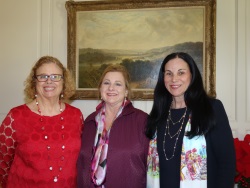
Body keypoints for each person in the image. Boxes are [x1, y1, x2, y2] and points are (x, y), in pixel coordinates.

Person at [146, 52, 236, 188]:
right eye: (169, 73)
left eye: (181, 73)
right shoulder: (159, 113)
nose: (174, 79)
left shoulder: (211, 108)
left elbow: (226, 164)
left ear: (192, 75)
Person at [0, 56, 84, 188]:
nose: (49, 81)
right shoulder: (16, 116)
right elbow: (3, 162)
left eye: (56, 76)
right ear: (34, 82)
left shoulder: (76, 115)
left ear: (64, 82)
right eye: (43, 76)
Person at [77, 64, 149, 188]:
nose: (111, 88)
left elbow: (152, 167)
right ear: (100, 88)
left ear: (126, 91)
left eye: (118, 84)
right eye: (106, 83)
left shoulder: (142, 121)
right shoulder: (89, 121)